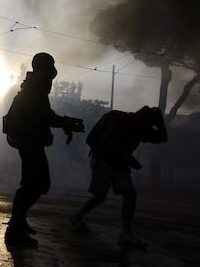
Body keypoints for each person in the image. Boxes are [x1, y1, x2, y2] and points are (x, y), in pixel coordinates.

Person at [1, 52, 85, 247]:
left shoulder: (34, 87)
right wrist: (65, 122)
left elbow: (44, 114)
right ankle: (14, 229)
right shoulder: (36, 87)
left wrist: (64, 123)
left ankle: (19, 222)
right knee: (34, 185)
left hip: (30, 141)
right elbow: (41, 116)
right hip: (29, 141)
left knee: (34, 184)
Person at [68, 105, 167, 248]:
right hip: (104, 159)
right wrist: (129, 158)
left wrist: (161, 121)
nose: (148, 127)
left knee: (130, 194)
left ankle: (126, 233)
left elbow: (163, 138)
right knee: (100, 197)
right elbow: (109, 140)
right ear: (142, 120)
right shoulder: (124, 120)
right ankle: (76, 216)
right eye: (148, 124)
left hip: (120, 164)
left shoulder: (142, 129)